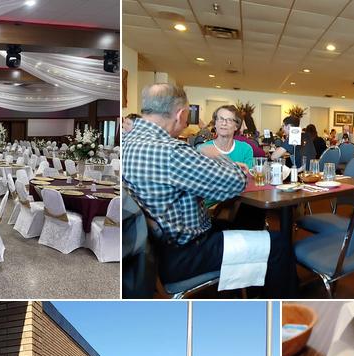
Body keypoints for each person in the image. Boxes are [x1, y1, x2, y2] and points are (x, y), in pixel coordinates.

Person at [123, 83, 297, 297]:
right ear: (180, 114)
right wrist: (220, 158)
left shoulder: (128, 142)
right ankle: (280, 308)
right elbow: (235, 183)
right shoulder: (170, 151)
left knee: (246, 222)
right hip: (185, 253)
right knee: (279, 245)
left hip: (155, 249)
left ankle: (245, 292)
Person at [199, 105, 254, 169]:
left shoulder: (245, 149)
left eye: (229, 120)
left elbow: (247, 174)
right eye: (220, 119)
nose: (224, 123)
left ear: (236, 126)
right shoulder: (203, 149)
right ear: (215, 124)